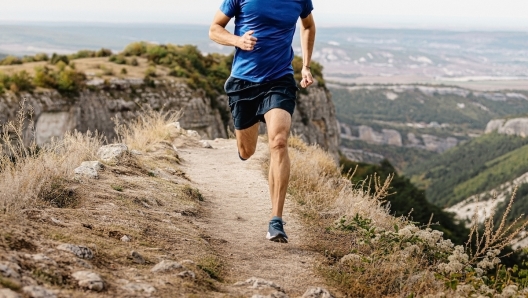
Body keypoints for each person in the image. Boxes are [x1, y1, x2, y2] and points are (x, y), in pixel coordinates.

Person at [209, 0, 316, 243]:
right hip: (243, 82)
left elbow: (308, 26)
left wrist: (306, 66)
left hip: (279, 80)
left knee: (278, 142)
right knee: (247, 151)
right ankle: (246, 142)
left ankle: (276, 220)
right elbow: (214, 28)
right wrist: (237, 41)